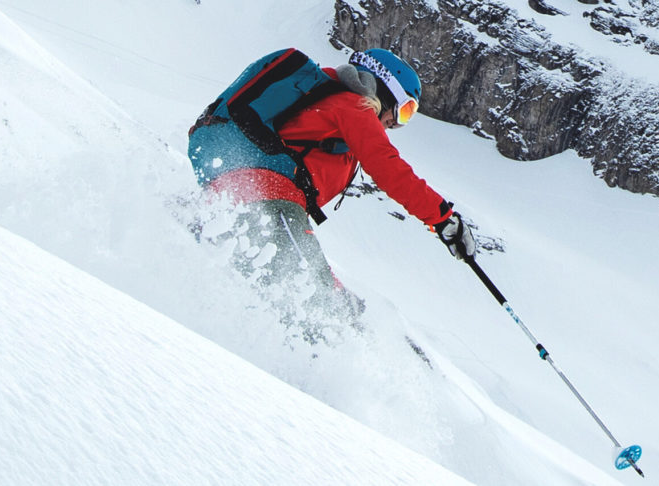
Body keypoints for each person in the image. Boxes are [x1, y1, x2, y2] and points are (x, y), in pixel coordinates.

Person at [188, 48, 476, 330]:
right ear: (385, 90)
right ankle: (325, 364)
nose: (396, 123)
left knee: (324, 298)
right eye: (404, 110)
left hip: (239, 195)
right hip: (269, 197)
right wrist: (442, 218)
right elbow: (389, 168)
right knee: (316, 296)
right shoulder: (353, 106)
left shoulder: (336, 115)